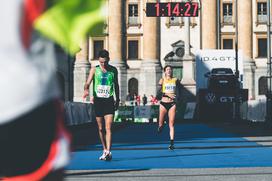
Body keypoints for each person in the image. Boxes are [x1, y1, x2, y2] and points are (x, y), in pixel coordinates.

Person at [83, 49, 120, 161]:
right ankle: (104, 149)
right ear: (99, 61)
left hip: (109, 100)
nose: (103, 64)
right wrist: (86, 89)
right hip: (98, 101)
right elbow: (88, 82)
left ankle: (108, 151)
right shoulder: (95, 69)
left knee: (109, 127)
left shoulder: (113, 70)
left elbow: (116, 85)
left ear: (108, 60)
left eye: (105, 62)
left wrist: (117, 99)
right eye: (101, 62)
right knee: (100, 128)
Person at [156, 65, 181, 150]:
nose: (169, 71)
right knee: (161, 123)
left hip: (172, 104)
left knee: (171, 124)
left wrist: (177, 97)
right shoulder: (162, 80)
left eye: (170, 69)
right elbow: (158, 94)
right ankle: (160, 126)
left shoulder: (175, 80)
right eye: (167, 69)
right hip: (163, 103)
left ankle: (172, 143)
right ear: (165, 71)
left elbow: (180, 90)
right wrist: (167, 94)